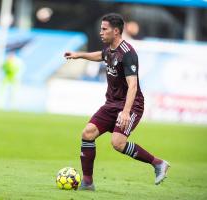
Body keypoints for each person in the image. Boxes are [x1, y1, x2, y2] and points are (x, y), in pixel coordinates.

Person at [64, 13, 170, 190]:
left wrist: (126, 112)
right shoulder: (110, 50)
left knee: (118, 143)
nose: (101, 32)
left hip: (131, 104)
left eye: (104, 29)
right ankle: (88, 182)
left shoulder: (128, 53)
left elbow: (133, 85)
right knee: (88, 133)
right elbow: (101, 55)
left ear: (116, 31)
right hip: (111, 103)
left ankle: (158, 163)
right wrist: (78, 55)